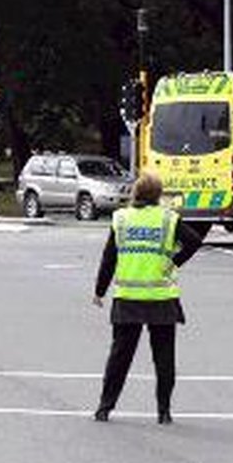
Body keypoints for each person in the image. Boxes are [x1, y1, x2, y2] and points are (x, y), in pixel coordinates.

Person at [92, 171, 204, 424]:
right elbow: (194, 241)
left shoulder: (121, 219)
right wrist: (174, 262)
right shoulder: (168, 219)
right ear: (158, 194)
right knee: (164, 357)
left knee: (120, 357)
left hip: (128, 298)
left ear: (136, 192)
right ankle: (163, 412)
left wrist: (100, 290)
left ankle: (104, 407)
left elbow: (109, 257)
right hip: (161, 297)